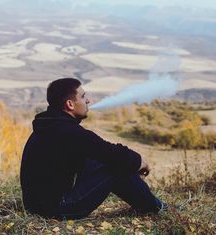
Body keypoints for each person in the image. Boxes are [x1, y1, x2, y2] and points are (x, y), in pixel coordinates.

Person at [20, 78, 166, 219]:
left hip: (35, 206)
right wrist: (140, 162)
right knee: (115, 167)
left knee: (104, 161)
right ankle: (156, 208)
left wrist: (130, 165)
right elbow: (112, 153)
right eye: (83, 97)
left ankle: (145, 203)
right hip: (57, 209)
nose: (88, 101)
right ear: (70, 104)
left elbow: (102, 153)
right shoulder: (70, 132)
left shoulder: (48, 127)